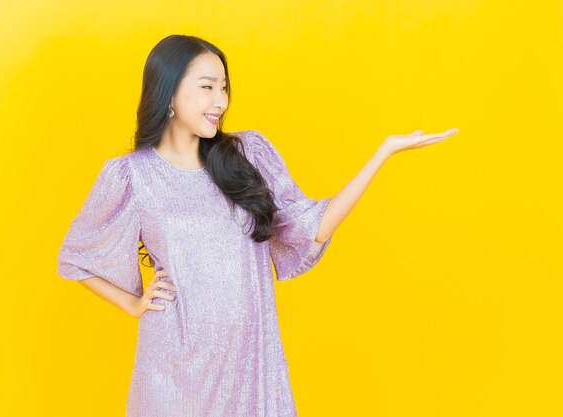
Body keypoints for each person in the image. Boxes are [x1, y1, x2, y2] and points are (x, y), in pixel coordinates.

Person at [57, 34, 459, 417]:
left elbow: (313, 226)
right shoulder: (131, 176)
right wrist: (133, 303)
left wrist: (382, 153)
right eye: (207, 87)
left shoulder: (246, 155)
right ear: (170, 93)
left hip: (250, 361)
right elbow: (77, 257)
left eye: (224, 88)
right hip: (173, 366)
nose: (220, 101)